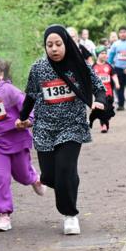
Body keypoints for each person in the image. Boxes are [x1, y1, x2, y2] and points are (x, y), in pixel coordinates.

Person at [17, 25, 108, 236]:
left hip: (72, 125)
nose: (54, 49)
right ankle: (69, 181)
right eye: (50, 45)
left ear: (66, 44)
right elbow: (30, 95)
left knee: (65, 169)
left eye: (58, 44)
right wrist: (22, 117)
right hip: (45, 128)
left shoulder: (79, 65)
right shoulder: (38, 68)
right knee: (50, 176)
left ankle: (70, 215)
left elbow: (98, 88)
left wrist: (100, 101)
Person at [0, 57, 45, 232]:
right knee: (1, 178)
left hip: (16, 141)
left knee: (22, 176)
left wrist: (28, 120)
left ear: (1, 74)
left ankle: (34, 178)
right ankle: (4, 215)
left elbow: (27, 107)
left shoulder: (9, 91)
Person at [89, 46, 118, 133]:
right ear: (97, 55)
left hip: (109, 92)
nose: (104, 55)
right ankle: (103, 125)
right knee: (102, 108)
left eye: (105, 53)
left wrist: (117, 83)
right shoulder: (93, 67)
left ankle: (106, 121)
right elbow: (90, 78)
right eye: (102, 53)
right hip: (99, 93)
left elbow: (114, 75)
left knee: (108, 109)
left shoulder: (109, 66)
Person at [107, 26, 126, 110]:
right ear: (118, 34)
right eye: (121, 32)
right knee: (119, 87)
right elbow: (111, 57)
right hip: (118, 68)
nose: (123, 34)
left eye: (124, 32)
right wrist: (109, 67)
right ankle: (121, 105)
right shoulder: (115, 44)